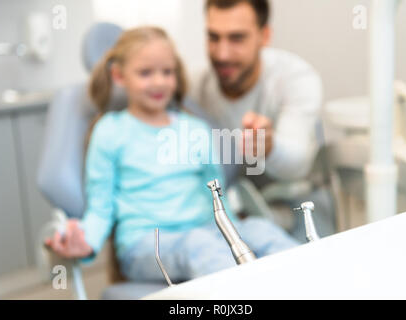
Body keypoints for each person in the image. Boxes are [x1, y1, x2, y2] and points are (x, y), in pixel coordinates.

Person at [44, 26, 298, 282]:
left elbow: (217, 197)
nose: (158, 82)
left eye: (167, 72)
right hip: (145, 245)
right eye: (145, 73)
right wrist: (84, 243)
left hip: (208, 230)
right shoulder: (110, 131)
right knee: (198, 245)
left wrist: (236, 232)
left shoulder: (196, 129)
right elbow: (100, 208)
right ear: (119, 76)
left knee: (262, 230)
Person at [187, 0, 323, 186]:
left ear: (264, 36)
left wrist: (270, 147)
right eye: (213, 37)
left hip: (291, 201)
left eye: (237, 38)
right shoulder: (193, 85)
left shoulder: (295, 78)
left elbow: (298, 162)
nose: (222, 54)